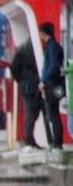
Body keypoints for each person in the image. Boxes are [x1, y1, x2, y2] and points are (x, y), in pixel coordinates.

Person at [10, 41, 47, 149]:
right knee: (43, 113)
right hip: (39, 84)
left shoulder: (22, 48)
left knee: (30, 113)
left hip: (27, 86)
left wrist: (21, 80)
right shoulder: (41, 47)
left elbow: (14, 68)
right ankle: (32, 140)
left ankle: (29, 140)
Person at [38, 22, 65, 150]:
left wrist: (43, 80)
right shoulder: (53, 46)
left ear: (43, 33)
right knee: (52, 115)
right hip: (53, 84)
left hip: (52, 84)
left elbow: (52, 66)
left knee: (53, 115)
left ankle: (57, 143)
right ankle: (56, 142)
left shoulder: (51, 47)